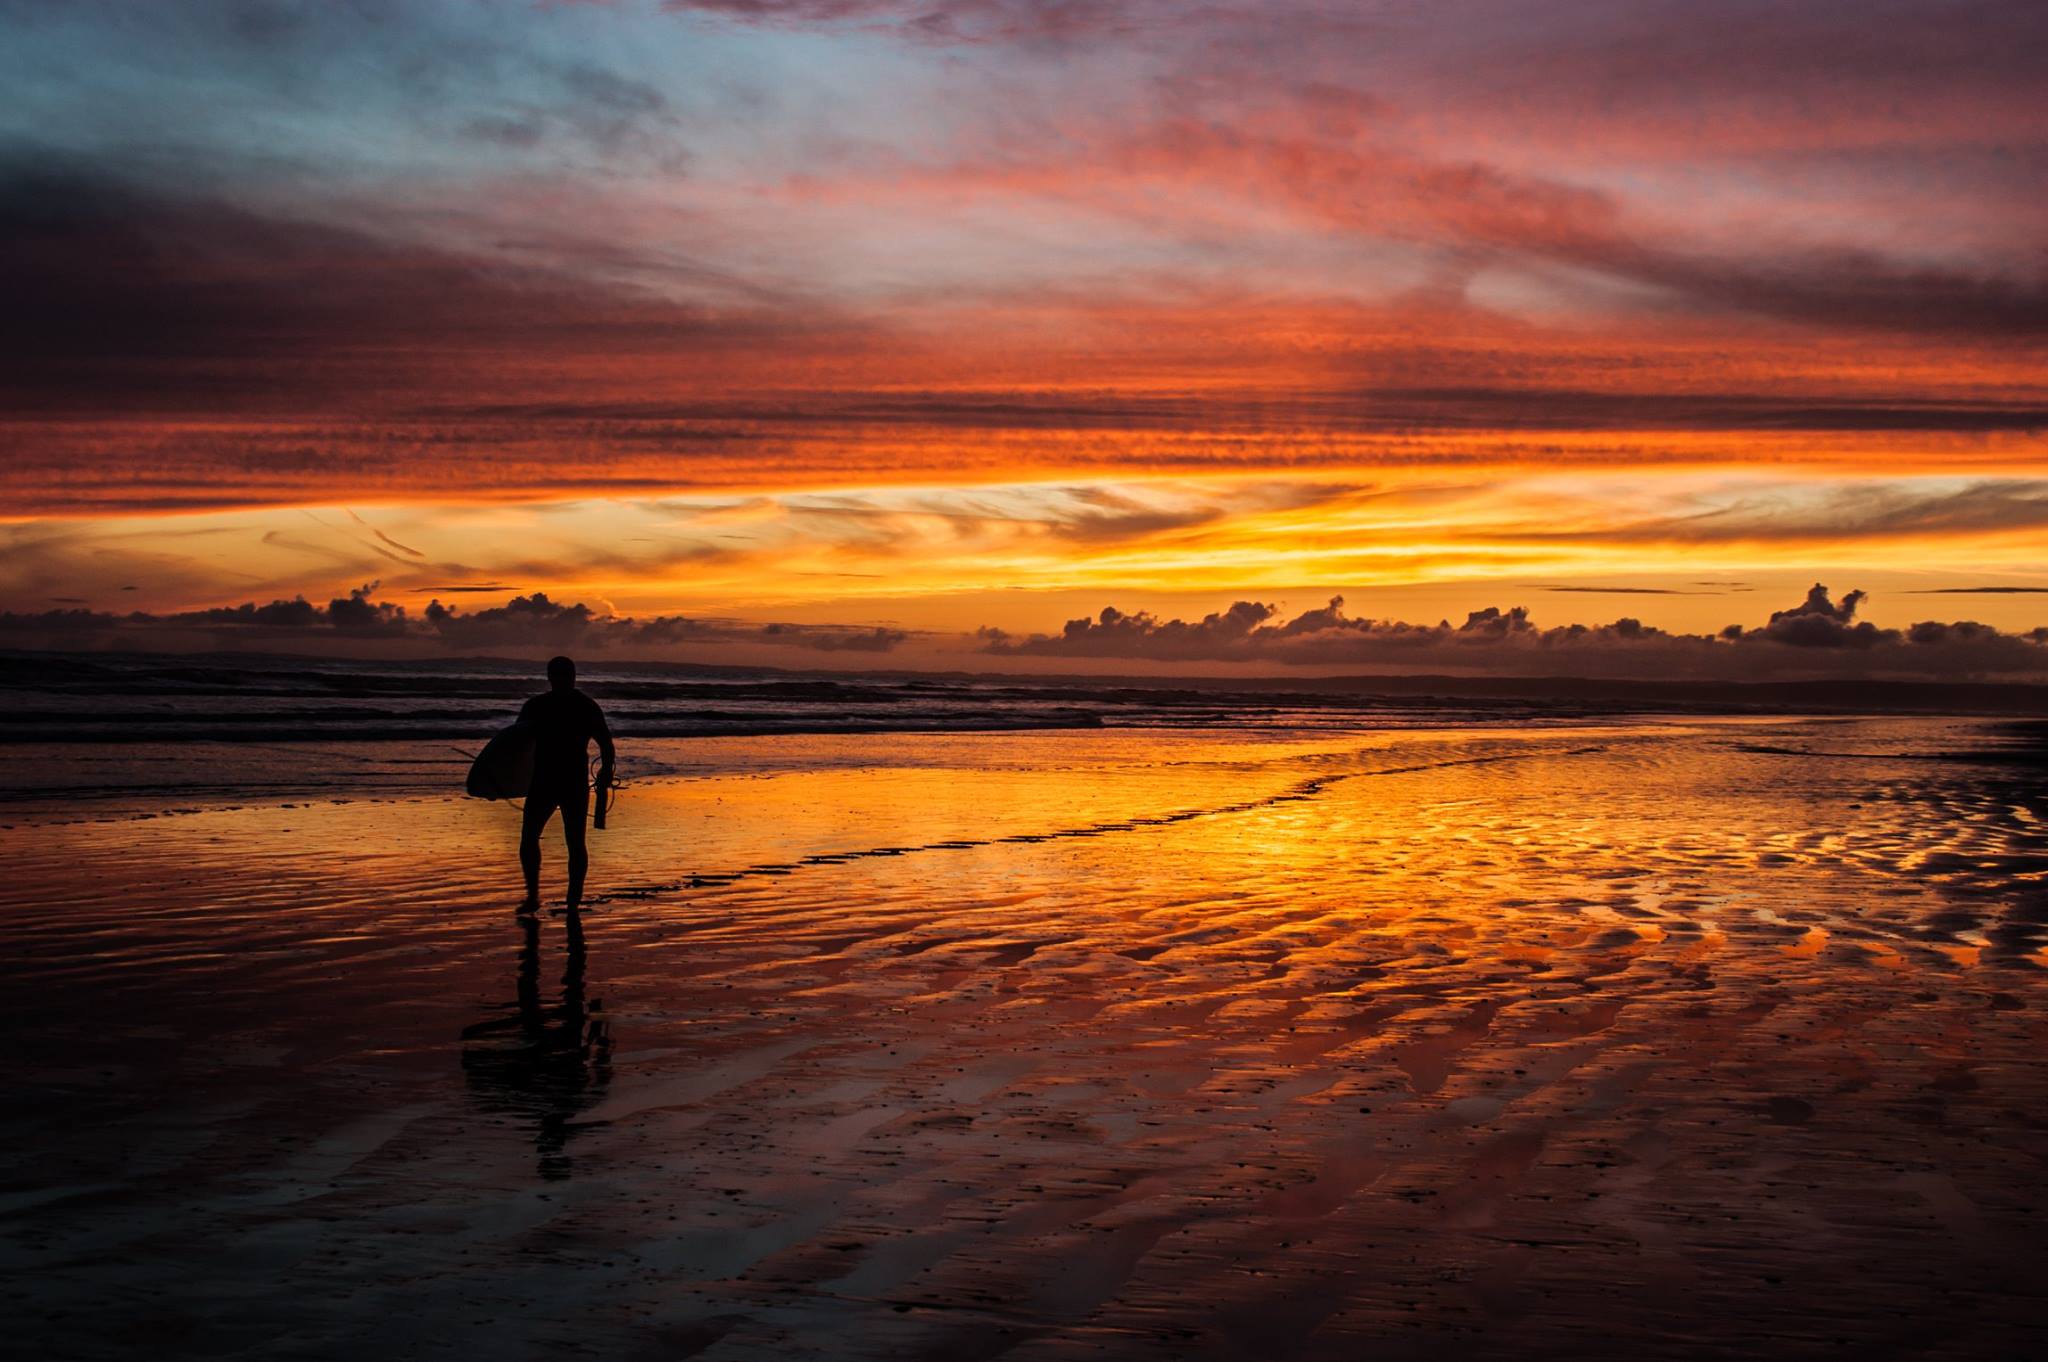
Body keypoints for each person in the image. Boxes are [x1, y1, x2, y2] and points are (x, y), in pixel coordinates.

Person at [517, 655, 614, 915]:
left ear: (572, 677)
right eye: (559, 677)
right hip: (551, 782)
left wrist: (606, 771)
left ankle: (571, 900)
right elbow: (516, 746)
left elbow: (606, 743)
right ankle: (535, 896)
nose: (562, 681)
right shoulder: (544, 706)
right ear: (551, 678)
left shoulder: (550, 706)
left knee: (572, 842)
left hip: (566, 783)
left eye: (565, 677)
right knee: (531, 839)